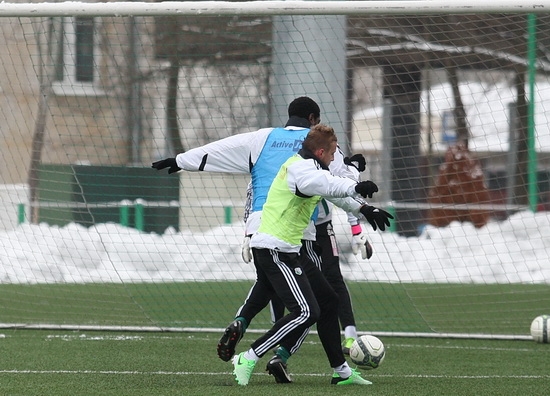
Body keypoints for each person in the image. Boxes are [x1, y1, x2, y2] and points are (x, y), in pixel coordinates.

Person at [152, 97, 379, 384]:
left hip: (262, 226)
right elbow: (335, 183)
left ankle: (334, 368)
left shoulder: (263, 138)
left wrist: (181, 160)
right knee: (307, 308)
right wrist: (355, 173)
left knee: (291, 291)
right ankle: (267, 355)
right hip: (292, 237)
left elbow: (221, 149)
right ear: (313, 120)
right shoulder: (316, 149)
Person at [231, 124, 392, 386]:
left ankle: (341, 372)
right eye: (331, 153)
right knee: (306, 312)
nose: (333, 158)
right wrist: (355, 187)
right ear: (319, 151)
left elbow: (332, 192)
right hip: (273, 249)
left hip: (291, 249)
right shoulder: (301, 169)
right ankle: (248, 357)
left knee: (329, 300)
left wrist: (366, 209)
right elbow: (326, 184)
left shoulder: (312, 167)